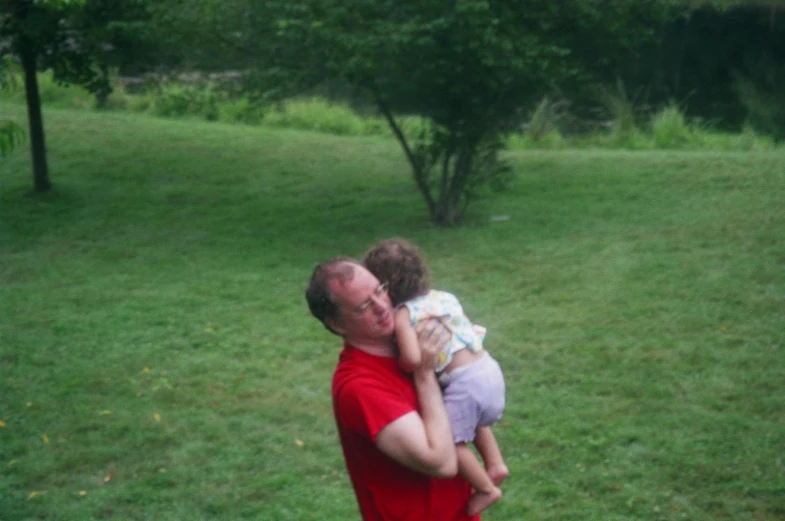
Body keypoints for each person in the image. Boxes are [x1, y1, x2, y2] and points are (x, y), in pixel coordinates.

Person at [306, 257, 480, 521]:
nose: (382, 306)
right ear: (337, 324)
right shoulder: (360, 387)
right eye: (364, 306)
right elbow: (441, 463)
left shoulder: (405, 345)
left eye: (379, 290)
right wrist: (424, 374)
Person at [363, 238, 508, 516]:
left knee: (451, 439)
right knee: (469, 419)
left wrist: (407, 365)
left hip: (465, 382)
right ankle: (496, 462)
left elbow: (414, 359)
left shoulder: (405, 313)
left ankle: (486, 489)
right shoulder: (444, 296)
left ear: (384, 286)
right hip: (487, 369)